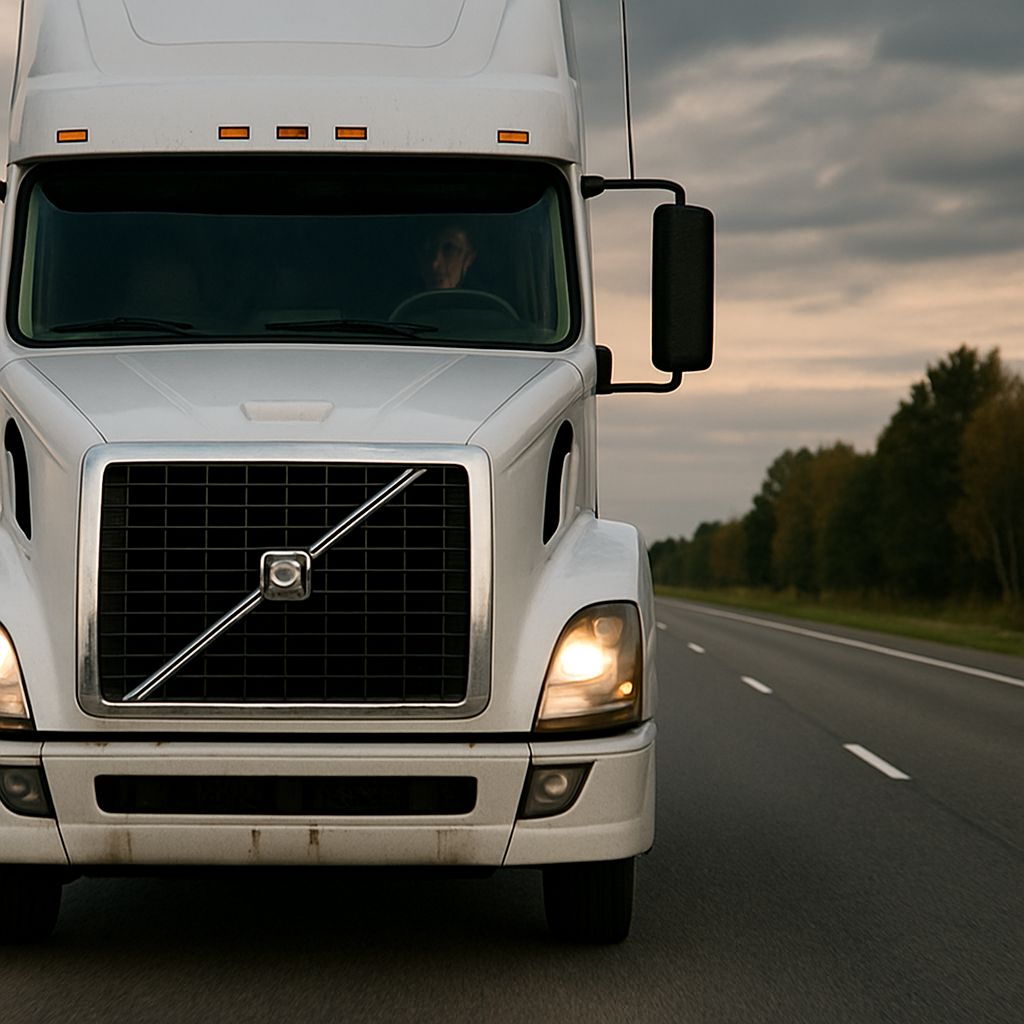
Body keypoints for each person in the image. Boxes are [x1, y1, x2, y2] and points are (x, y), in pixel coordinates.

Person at [415, 224, 477, 290]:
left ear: (470, 258)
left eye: (449, 249)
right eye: (427, 248)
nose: (434, 263)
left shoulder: (483, 299)